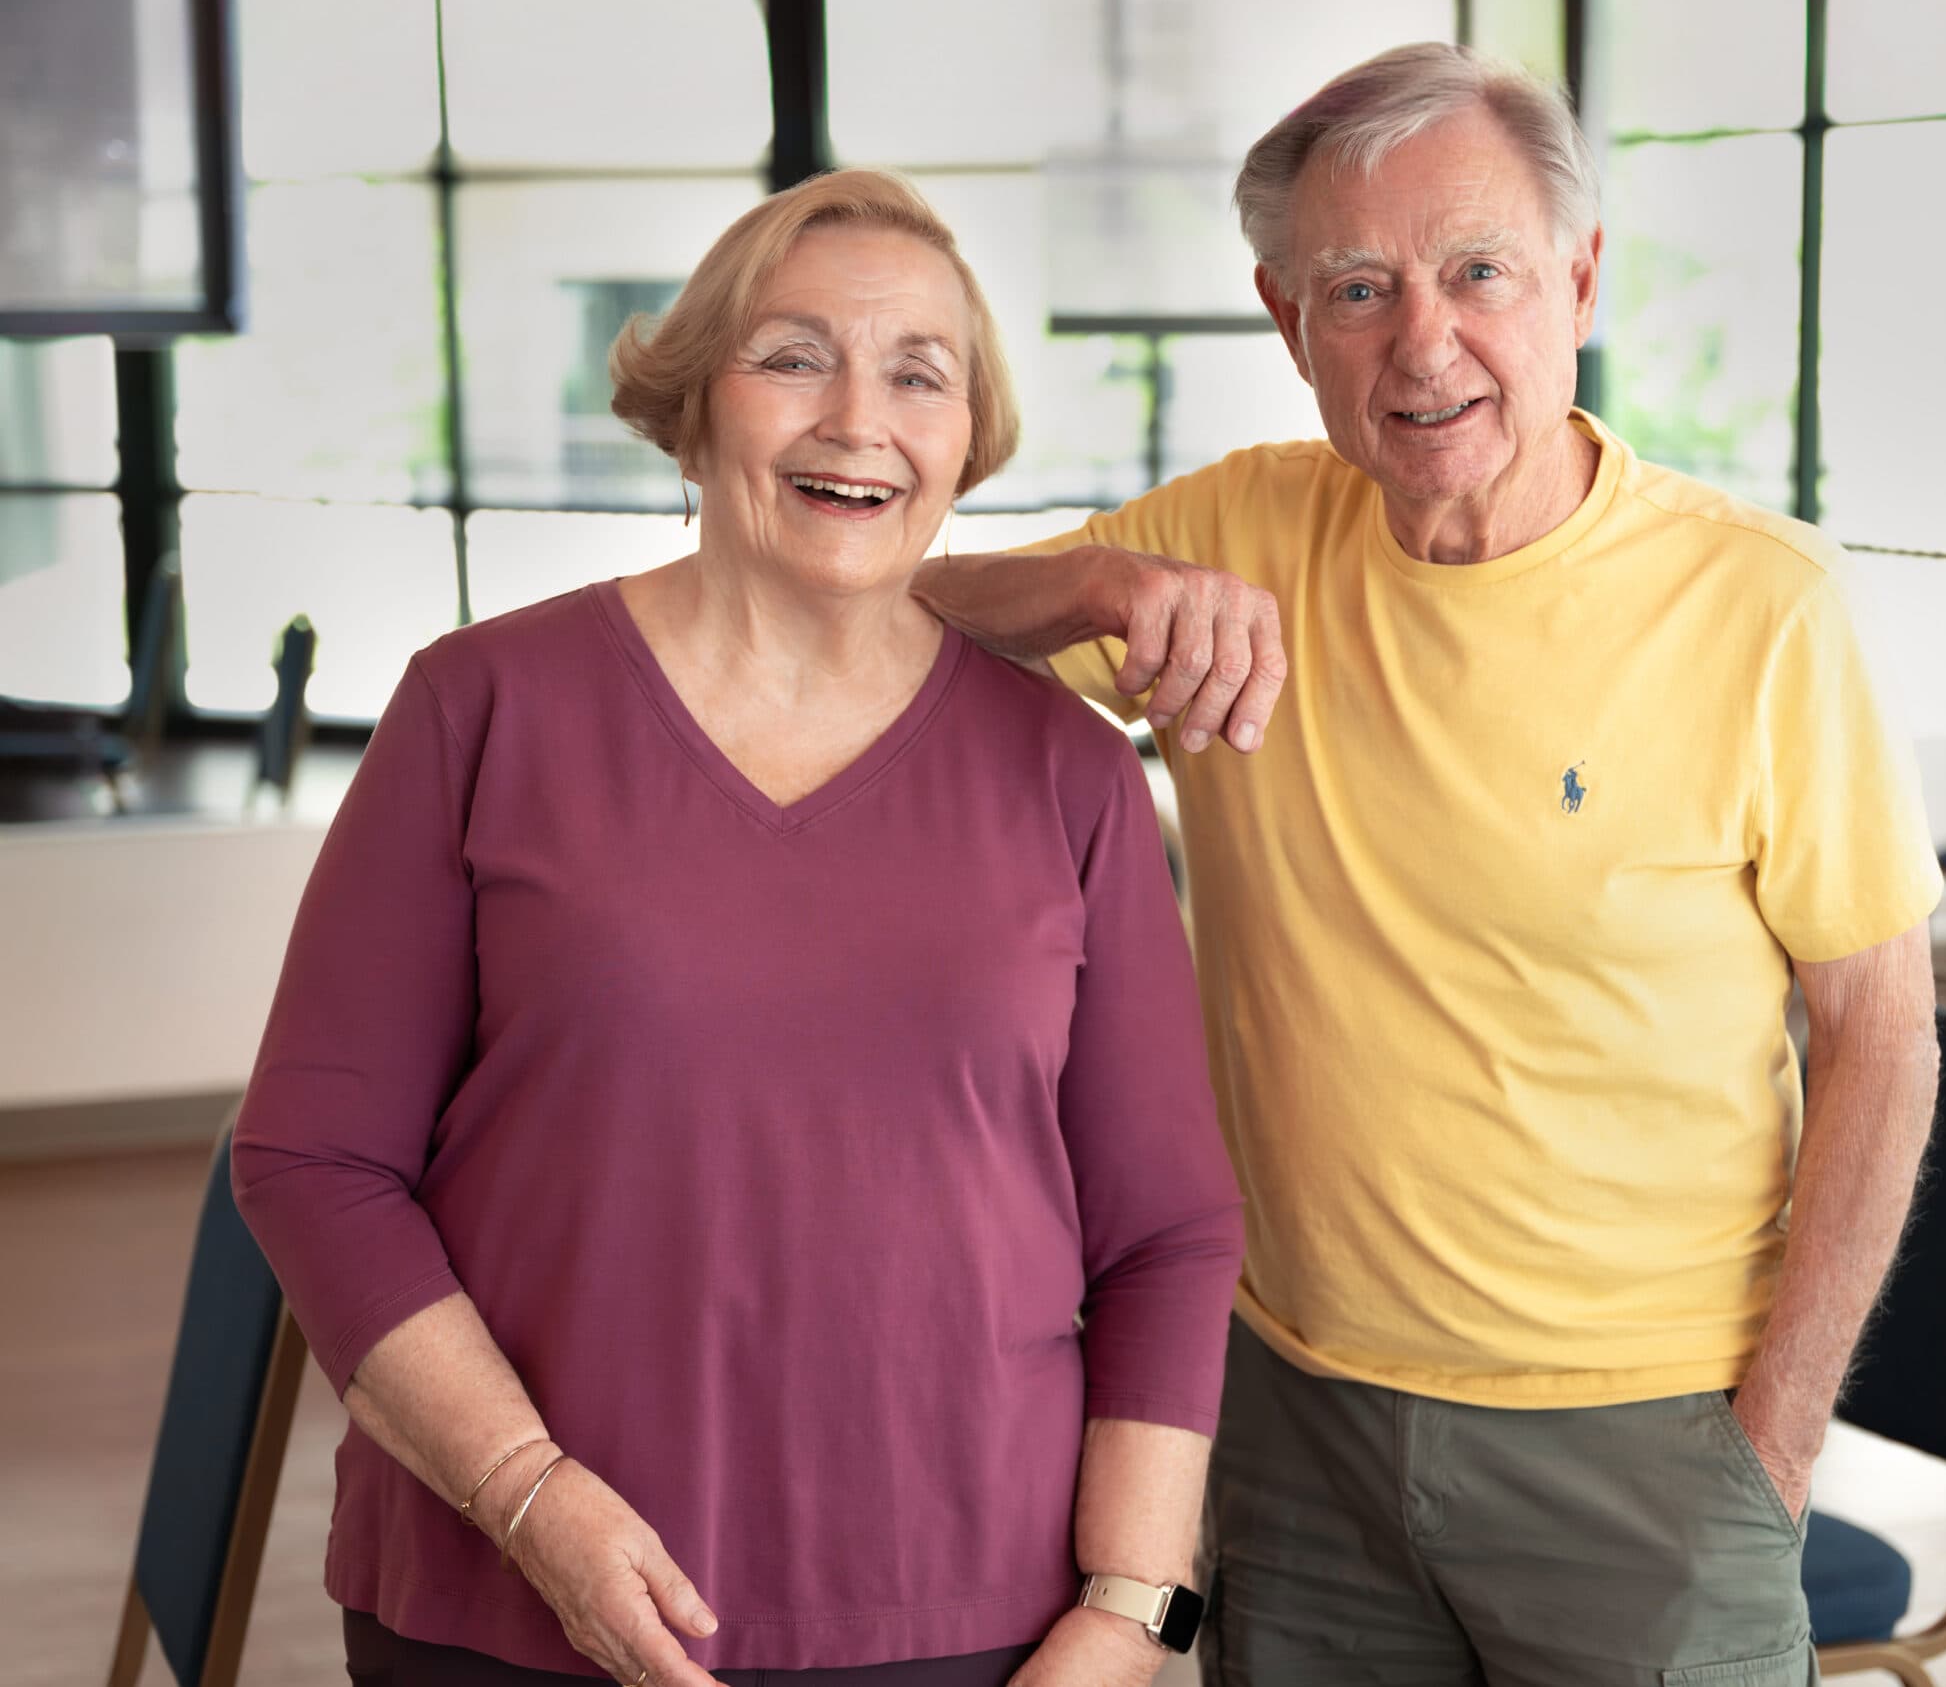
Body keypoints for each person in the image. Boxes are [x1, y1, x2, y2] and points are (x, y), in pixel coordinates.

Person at [912, 44, 1944, 1685]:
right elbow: (895, 616)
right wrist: (1104, 582)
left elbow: (1884, 1042)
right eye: (1359, 290)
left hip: (1650, 1447)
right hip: (1295, 1417)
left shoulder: (1761, 608)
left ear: (1581, 280)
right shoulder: (1233, 533)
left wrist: (1773, 1449)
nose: (1425, 343)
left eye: (1480, 273)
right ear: (1285, 321)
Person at [231, 169, 1241, 1687]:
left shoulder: (1073, 775)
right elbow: (314, 1163)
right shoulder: (483, 709)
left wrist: (1129, 1608)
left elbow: (1168, 1231)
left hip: (970, 1622)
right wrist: (530, 1497)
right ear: (691, 409)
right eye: (793, 357)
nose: (860, 419)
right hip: (517, 1599)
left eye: (921, 374)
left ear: (968, 441)